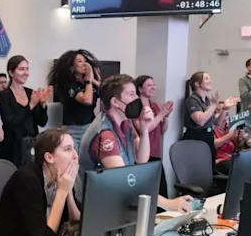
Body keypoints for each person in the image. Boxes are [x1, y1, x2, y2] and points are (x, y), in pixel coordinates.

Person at [77, 75, 191, 213]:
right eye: (131, 94)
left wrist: (144, 130)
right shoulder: (105, 134)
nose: (136, 99)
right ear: (115, 102)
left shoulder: (126, 123)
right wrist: (168, 203)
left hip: (116, 198)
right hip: (97, 207)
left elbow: (141, 158)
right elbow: (124, 180)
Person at [0, 55, 50, 167]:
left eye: (27, 68)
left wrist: (43, 104)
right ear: (11, 73)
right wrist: (30, 105)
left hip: (31, 145)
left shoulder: (31, 93)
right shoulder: (4, 96)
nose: (25, 72)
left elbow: (42, 122)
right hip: (12, 148)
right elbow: (11, 123)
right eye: (21, 69)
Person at [48, 50, 101, 150]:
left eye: (85, 61)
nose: (84, 64)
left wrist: (93, 79)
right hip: (74, 130)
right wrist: (89, 81)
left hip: (90, 127)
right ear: (72, 66)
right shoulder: (68, 84)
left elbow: (108, 92)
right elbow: (87, 100)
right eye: (79, 61)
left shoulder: (88, 83)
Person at [181, 71, 237, 165]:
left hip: (208, 137)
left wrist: (225, 108)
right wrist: (214, 105)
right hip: (196, 139)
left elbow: (216, 123)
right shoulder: (193, 100)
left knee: (209, 169)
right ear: (197, 84)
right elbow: (200, 120)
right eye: (206, 78)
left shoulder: (207, 100)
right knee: (198, 169)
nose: (210, 81)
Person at [134, 75, 173, 197]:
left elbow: (161, 130)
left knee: (161, 191)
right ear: (140, 89)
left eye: (153, 85)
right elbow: (143, 128)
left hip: (155, 153)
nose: (153, 88)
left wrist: (165, 116)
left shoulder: (154, 106)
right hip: (143, 155)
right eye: (149, 85)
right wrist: (161, 115)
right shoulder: (136, 107)